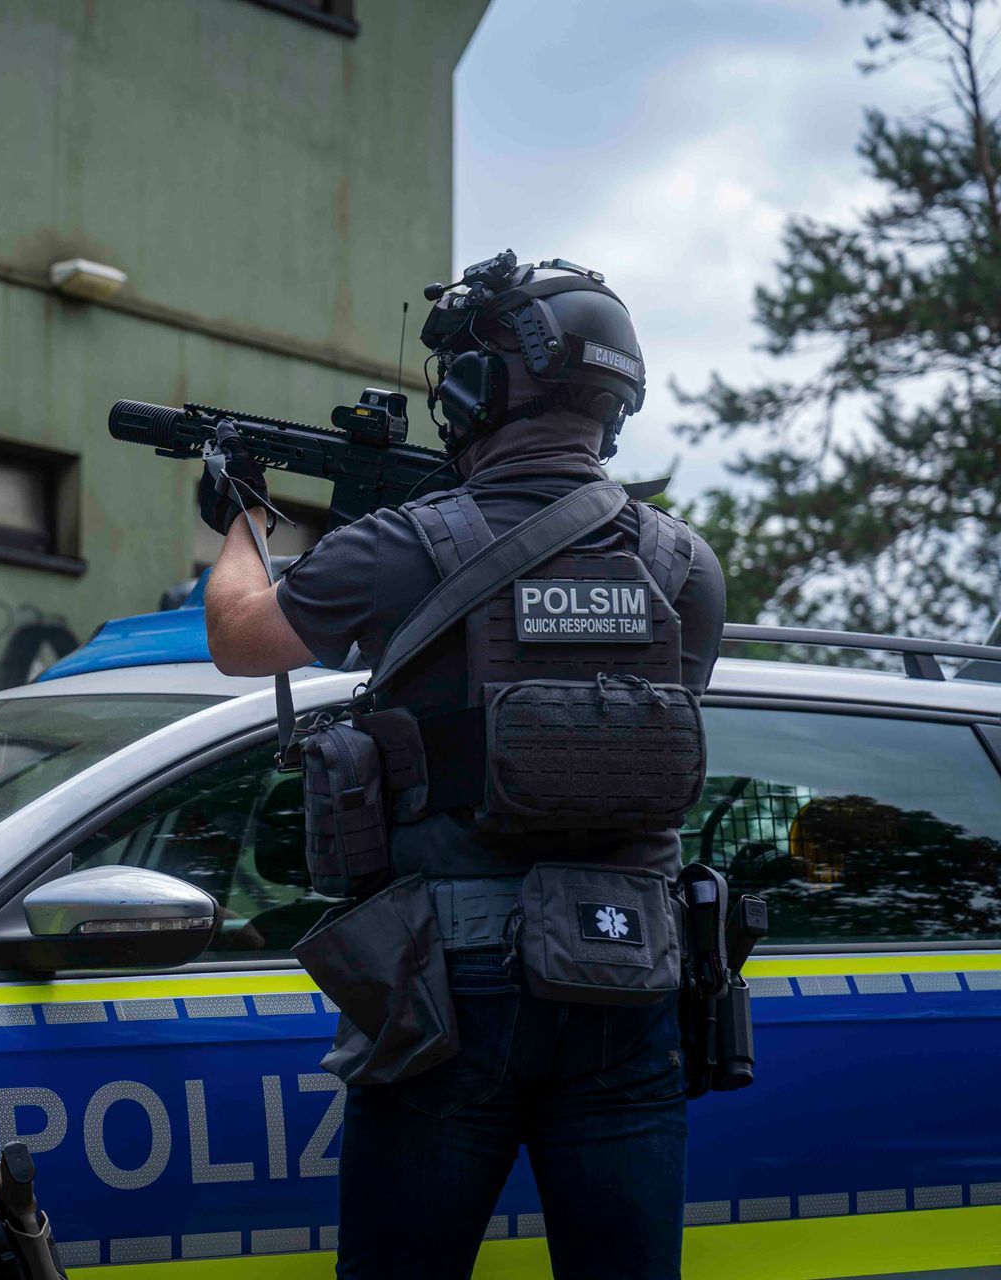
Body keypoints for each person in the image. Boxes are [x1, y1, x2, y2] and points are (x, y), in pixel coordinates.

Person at [200, 256, 726, 1279]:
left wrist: (244, 522)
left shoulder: (403, 545)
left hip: (449, 984)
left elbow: (239, 634)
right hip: (631, 966)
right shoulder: (683, 565)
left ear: (479, 391)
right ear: (613, 403)